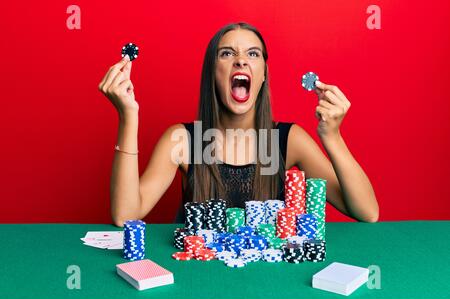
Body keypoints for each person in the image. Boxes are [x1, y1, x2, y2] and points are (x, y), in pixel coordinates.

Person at [98, 22, 379, 227]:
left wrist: (332, 136)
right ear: (213, 71)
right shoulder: (183, 141)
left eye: (253, 54)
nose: (241, 61)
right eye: (227, 53)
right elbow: (126, 215)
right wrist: (128, 116)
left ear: (263, 73)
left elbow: (367, 211)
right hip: (199, 278)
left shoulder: (288, 140)